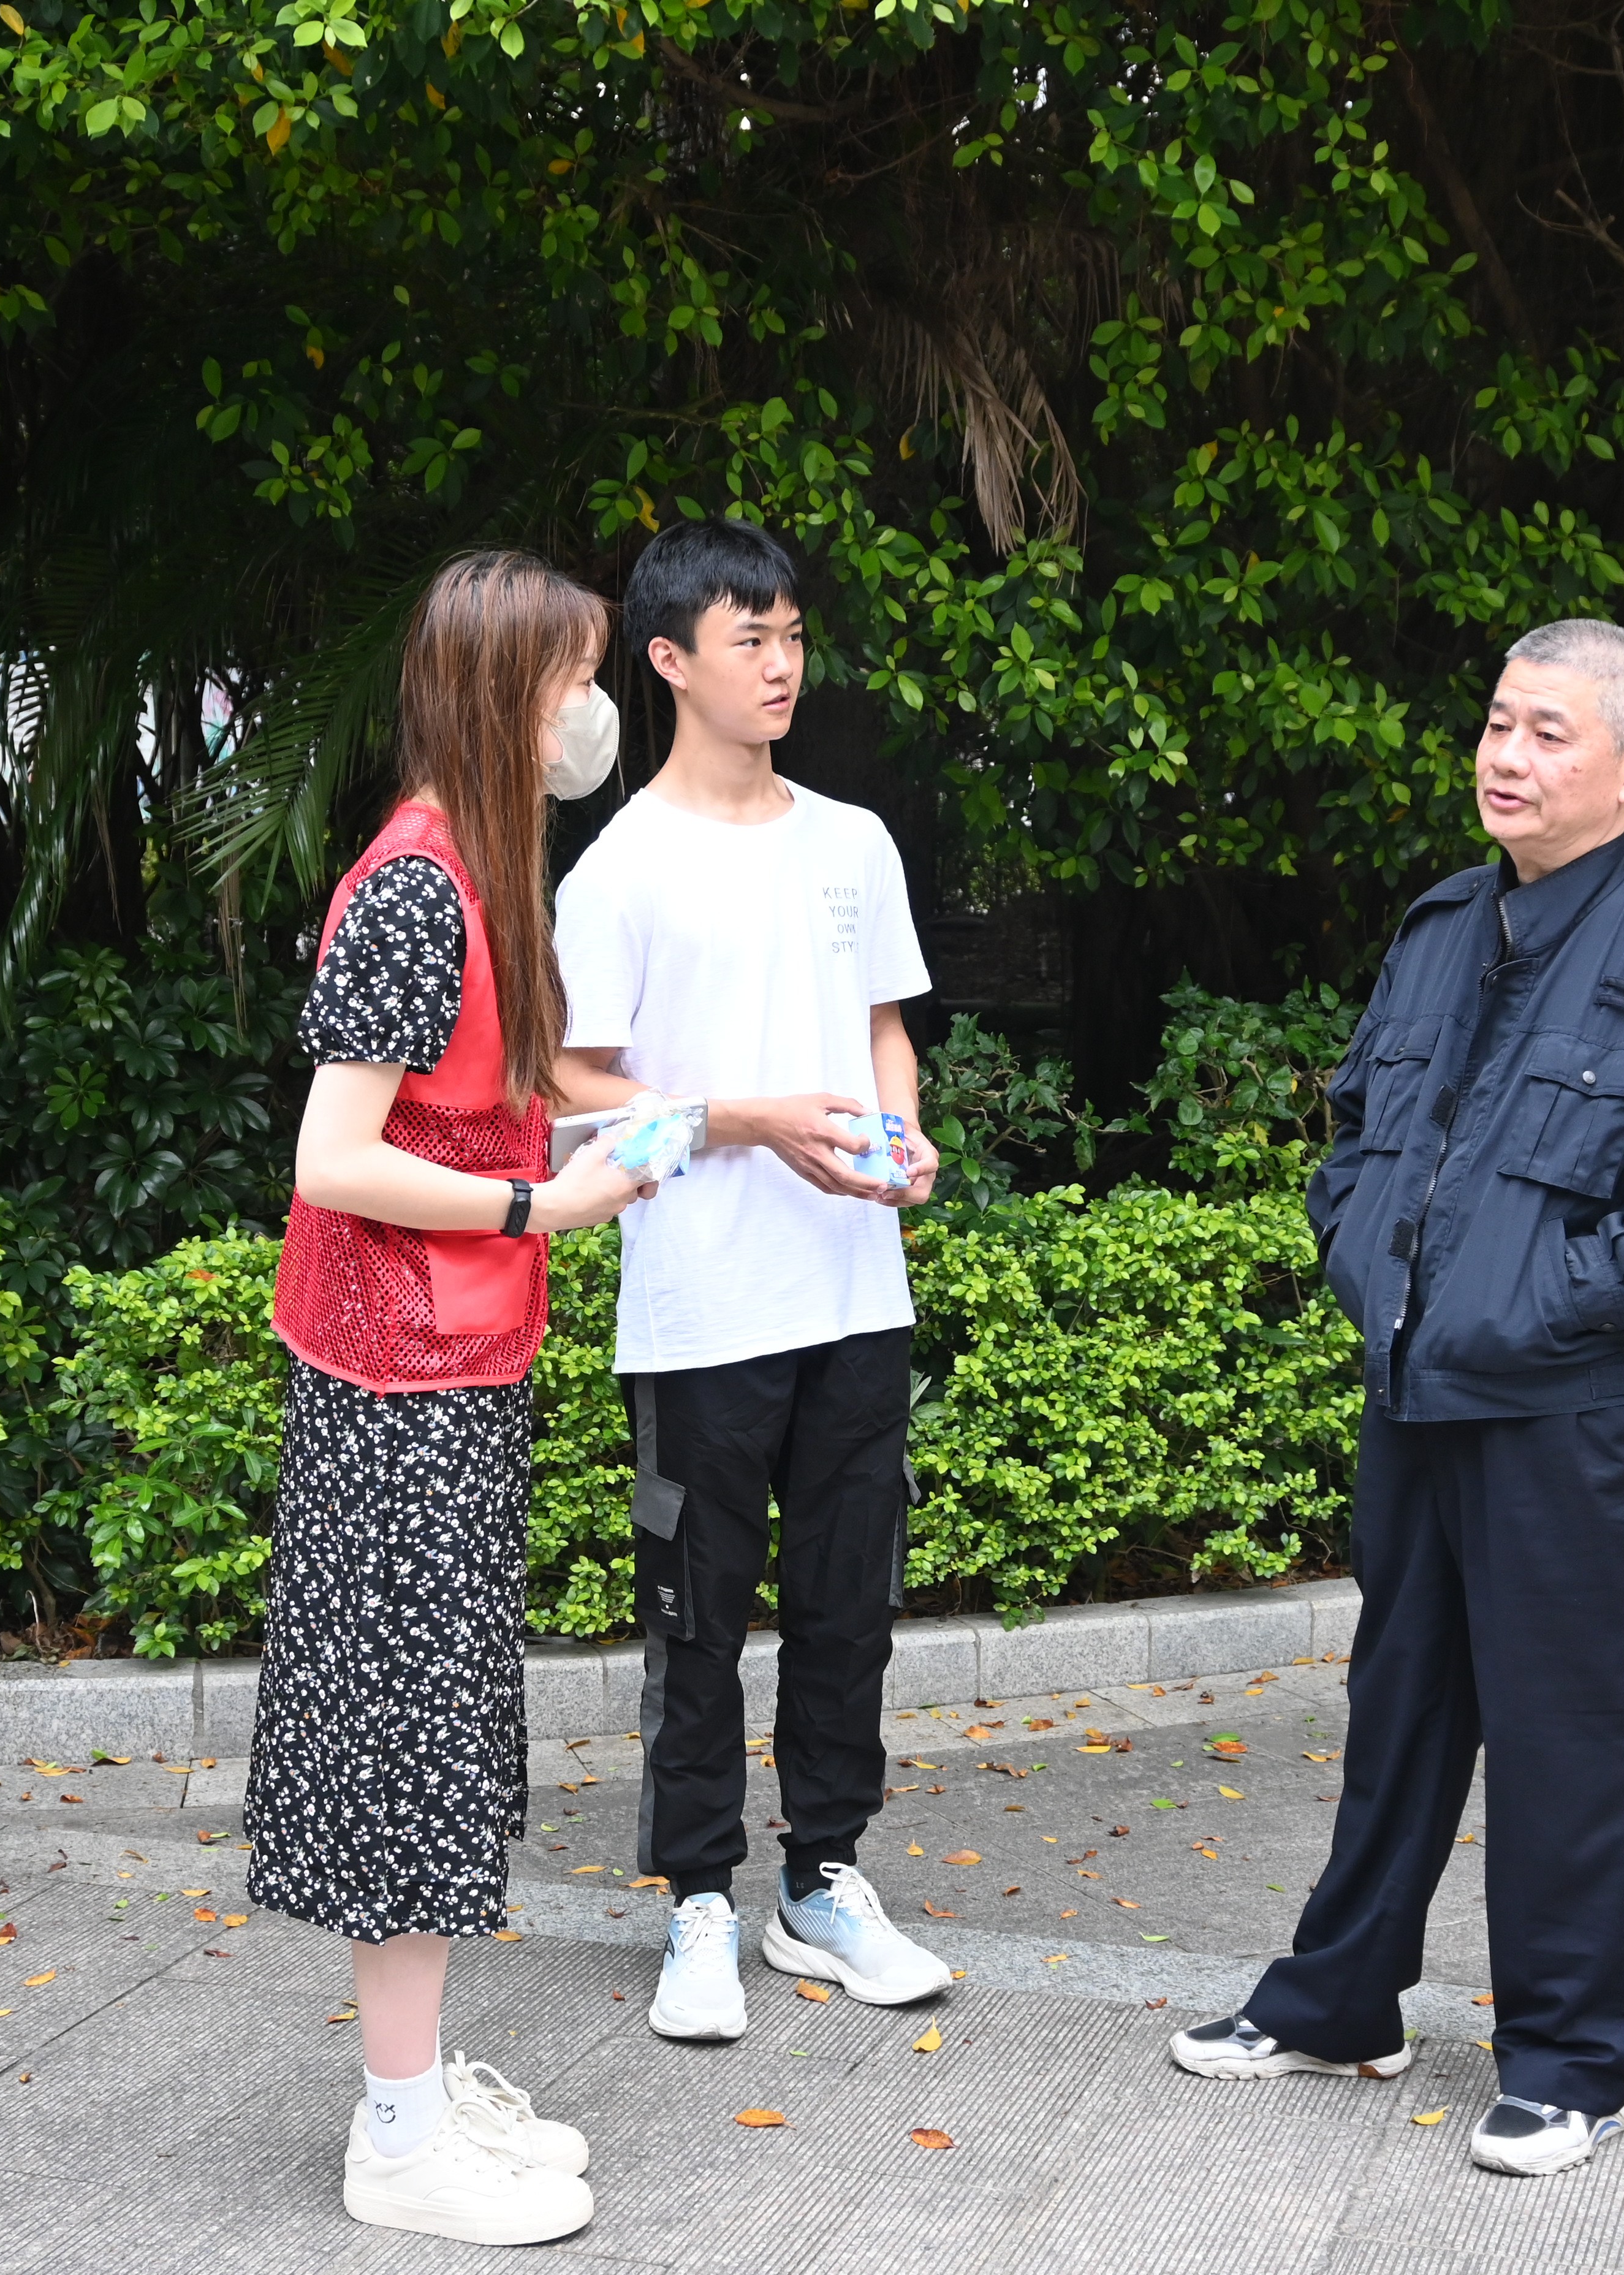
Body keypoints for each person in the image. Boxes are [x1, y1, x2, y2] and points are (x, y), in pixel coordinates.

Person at [1168, 618, 1624, 2179]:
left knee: (1580, 1733)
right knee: (1399, 1709)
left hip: (1585, 1420)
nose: (1506, 757)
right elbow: (1360, 1138)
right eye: (1500, 723)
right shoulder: (1448, 923)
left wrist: (1536, 1305)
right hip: (1420, 1395)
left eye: (1547, 734)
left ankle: (1575, 2057)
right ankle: (1341, 2001)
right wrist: (1367, 1262)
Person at [251, 550, 656, 2247]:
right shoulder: (419, 887)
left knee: (439, 1740)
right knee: (408, 1750)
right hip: (395, 1387)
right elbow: (334, 1155)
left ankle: (412, 2090)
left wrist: (669, 1120)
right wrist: (538, 1204)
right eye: (573, 677)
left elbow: (502, 1079)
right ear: (506, 696)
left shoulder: (479, 870)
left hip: (446, 1370)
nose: (592, 711)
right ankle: (400, 2139)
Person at [549, 515, 957, 2043]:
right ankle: (700, 1899)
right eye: (750, 640)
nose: (783, 665)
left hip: (855, 1289)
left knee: (849, 1605)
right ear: (669, 659)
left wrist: (901, 1137)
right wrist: (748, 1119)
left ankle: (823, 1880)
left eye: (792, 636)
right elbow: (576, 1082)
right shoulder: (621, 869)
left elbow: (885, 1029)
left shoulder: (853, 841)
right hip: (703, 1306)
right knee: (698, 1617)